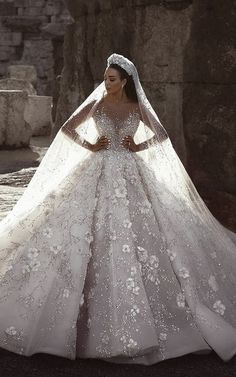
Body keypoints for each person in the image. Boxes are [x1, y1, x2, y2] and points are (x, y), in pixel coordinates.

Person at [0, 53, 236, 366]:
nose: (106, 83)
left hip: (129, 170)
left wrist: (139, 146)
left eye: (111, 79)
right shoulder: (97, 104)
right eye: (105, 78)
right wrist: (90, 146)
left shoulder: (137, 107)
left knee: (142, 233)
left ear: (124, 81)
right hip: (95, 167)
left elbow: (161, 135)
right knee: (77, 229)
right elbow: (69, 128)